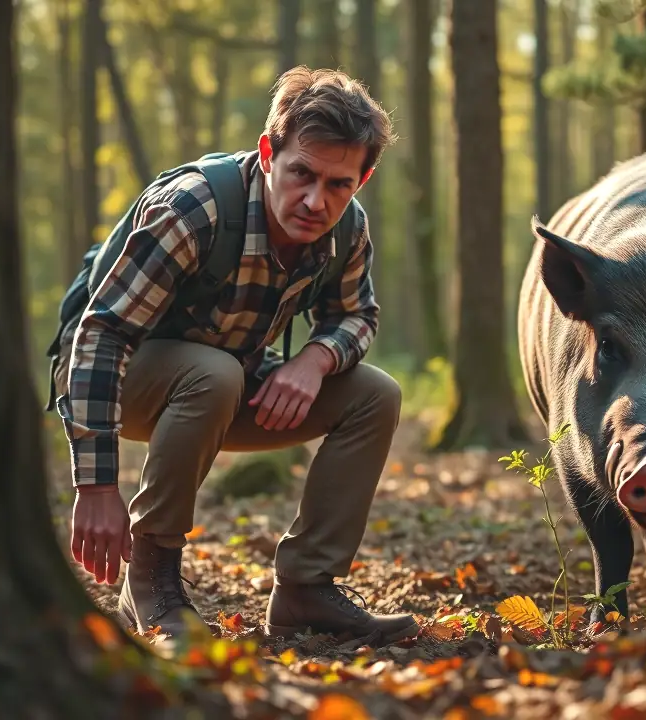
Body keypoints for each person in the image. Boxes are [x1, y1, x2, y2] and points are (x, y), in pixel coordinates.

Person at [51, 66, 416, 645]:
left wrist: (314, 360)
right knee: (213, 373)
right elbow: (101, 335)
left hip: (225, 378)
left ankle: (305, 589)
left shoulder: (347, 230)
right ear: (269, 151)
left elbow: (357, 315)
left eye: (339, 184)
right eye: (302, 173)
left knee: (375, 394)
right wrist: (95, 487)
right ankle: (150, 582)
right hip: (119, 378)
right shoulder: (194, 210)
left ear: (362, 179)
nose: (316, 201)